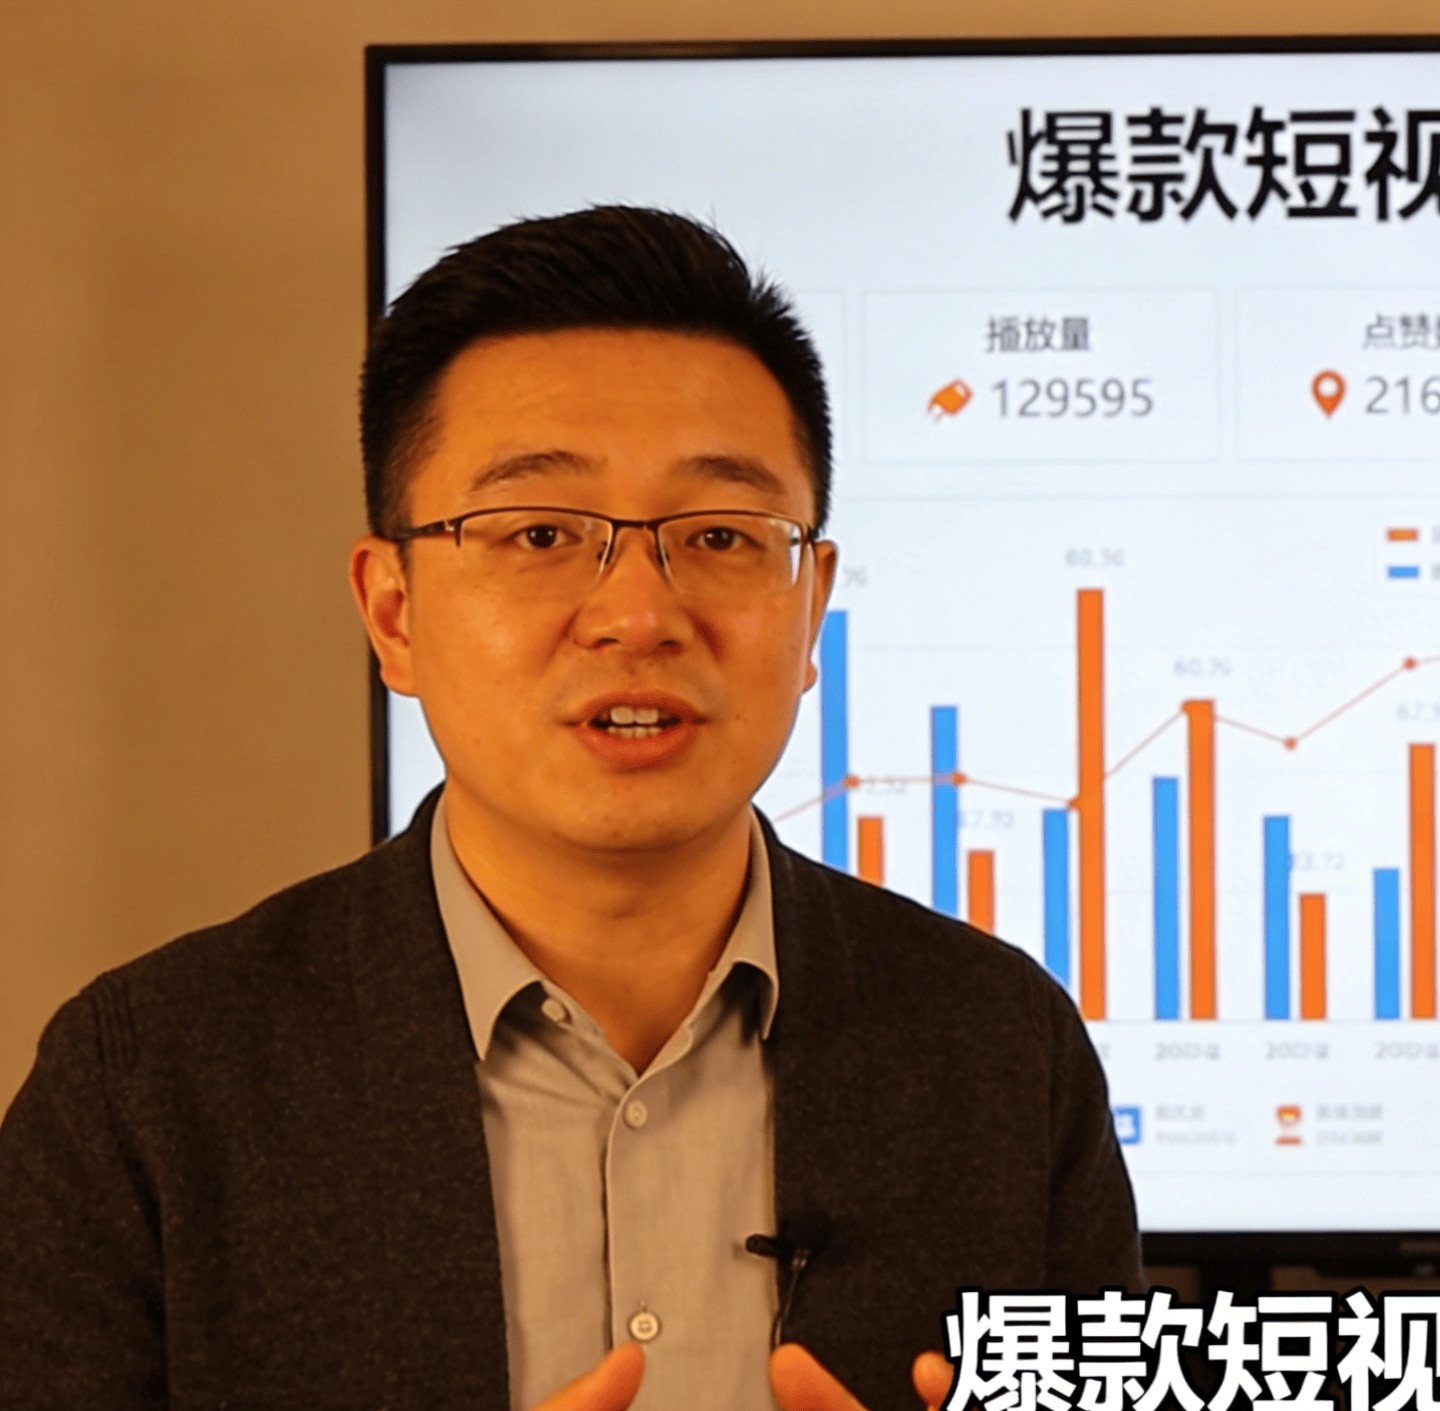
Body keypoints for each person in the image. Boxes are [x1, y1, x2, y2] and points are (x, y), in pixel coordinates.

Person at [0, 206, 1141, 1409]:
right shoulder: (145, 1088)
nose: (638, 615)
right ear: (393, 612)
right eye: (540, 531)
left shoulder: (1002, 1054)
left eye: (721, 534)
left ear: (812, 605)